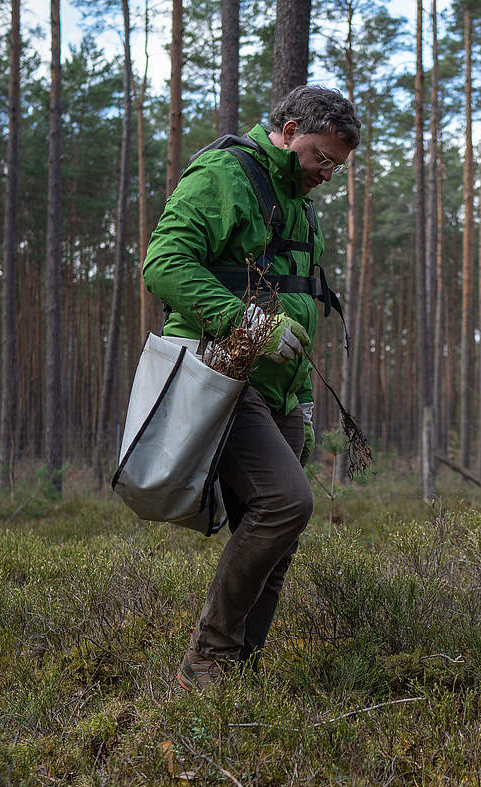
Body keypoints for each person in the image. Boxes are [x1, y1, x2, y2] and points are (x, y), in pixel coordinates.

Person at [143, 85, 360, 691]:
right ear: (288, 129)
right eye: (321, 156)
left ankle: (240, 668)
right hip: (220, 372)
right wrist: (247, 324)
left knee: (277, 532)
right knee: (288, 502)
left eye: (336, 166)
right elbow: (163, 264)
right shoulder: (225, 174)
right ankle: (205, 661)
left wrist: (301, 395)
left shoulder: (296, 198)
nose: (326, 173)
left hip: (280, 389)